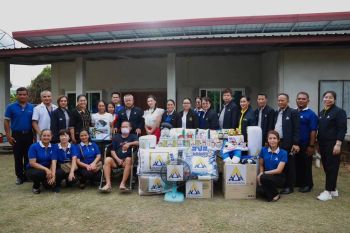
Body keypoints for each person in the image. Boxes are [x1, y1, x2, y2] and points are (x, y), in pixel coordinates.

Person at [317, 91, 347, 201]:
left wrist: (338, 144)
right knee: (326, 167)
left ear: (334, 99)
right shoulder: (321, 112)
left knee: (331, 167)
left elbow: (342, 129)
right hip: (323, 144)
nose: (327, 99)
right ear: (323, 99)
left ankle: (328, 192)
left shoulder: (339, 112)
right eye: (326, 97)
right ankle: (333, 189)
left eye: (330, 97)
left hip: (333, 144)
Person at [4, 87, 34, 185]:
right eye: (20, 94)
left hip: (29, 134)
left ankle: (27, 176)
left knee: (28, 156)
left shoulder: (32, 107)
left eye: (24, 94)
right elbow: (6, 121)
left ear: (27, 95)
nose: (22, 96)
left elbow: (34, 122)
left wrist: (34, 136)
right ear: (17, 95)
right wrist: (8, 136)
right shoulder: (10, 107)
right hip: (16, 135)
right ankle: (20, 177)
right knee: (18, 157)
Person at [100, 121, 139, 192]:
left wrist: (129, 144)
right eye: (122, 127)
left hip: (126, 161)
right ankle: (108, 184)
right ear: (120, 128)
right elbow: (112, 150)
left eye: (126, 127)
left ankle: (122, 184)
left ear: (130, 128)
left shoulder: (133, 136)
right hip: (116, 160)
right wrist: (117, 159)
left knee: (128, 159)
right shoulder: (116, 137)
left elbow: (138, 142)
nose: (124, 128)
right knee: (107, 159)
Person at [274, 93, 300, 194]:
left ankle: (289, 186)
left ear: (287, 101)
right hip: (277, 142)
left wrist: (296, 143)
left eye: (283, 100)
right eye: (279, 100)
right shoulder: (277, 113)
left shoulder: (293, 112)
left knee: (289, 165)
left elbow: (297, 129)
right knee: (279, 164)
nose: (280, 102)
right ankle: (281, 184)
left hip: (288, 143)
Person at [26, 129, 65, 194]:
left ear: (51, 137)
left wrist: (51, 171)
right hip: (36, 168)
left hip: (50, 166)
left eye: (48, 135)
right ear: (40, 136)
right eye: (44, 135)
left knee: (60, 172)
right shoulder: (34, 146)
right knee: (37, 174)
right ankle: (36, 186)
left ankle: (54, 184)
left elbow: (53, 161)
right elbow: (32, 163)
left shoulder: (54, 146)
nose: (46, 137)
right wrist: (46, 169)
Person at [295, 92, 318, 193]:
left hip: (306, 144)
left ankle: (308, 184)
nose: (301, 100)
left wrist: (311, 145)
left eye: (303, 99)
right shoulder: (294, 112)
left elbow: (313, 131)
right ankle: (299, 182)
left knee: (306, 165)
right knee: (297, 164)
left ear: (308, 101)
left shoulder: (311, 114)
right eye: (299, 98)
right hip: (295, 144)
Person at [257, 130, 288, 202]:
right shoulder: (263, 150)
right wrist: (261, 173)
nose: (272, 140)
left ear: (278, 140)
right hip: (266, 176)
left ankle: (276, 194)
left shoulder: (283, 153)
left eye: (274, 138)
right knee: (259, 191)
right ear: (267, 140)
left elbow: (279, 170)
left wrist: (263, 173)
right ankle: (270, 193)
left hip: (278, 177)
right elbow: (261, 165)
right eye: (270, 138)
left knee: (264, 178)